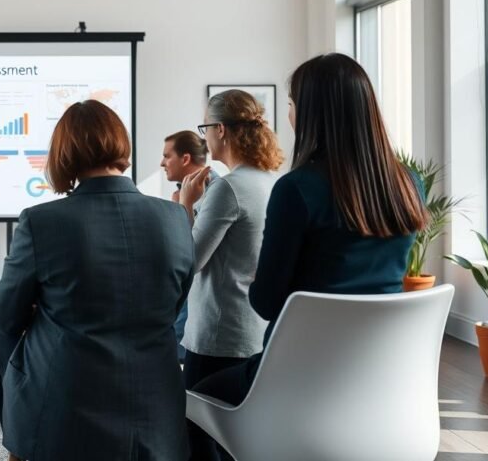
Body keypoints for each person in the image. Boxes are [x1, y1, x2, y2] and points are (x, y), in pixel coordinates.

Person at [186, 54, 428, 461]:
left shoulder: (298, 189)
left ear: (313, 113)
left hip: (296, 378)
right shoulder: (408, 183)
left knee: (191, 401)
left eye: (293, 104)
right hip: (379, 379)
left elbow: (265, 301)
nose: (290, 114)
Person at [0, 100, 194, 461]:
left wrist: (45, 308)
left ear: (64, 153)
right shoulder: (176, 217)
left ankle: (25, 446)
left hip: (68, 414)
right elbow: (173, 305)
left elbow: (5, 318)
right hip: (157, 412)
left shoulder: (40, 221)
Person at [178, 90, 282, 459]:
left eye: (205, 127)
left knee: (195, 433)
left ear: (220, 130)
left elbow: (190, 260)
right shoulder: (270, 181)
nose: (204, 135)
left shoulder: (229, 188)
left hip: (216, 336)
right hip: (254, 332)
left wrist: (186, 206)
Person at [160, 130, 210, 361]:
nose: (162, 163)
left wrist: (182, 208)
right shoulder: (180, 194)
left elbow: (189, 253)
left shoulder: (214, 192)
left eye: (167, 156)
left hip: (199, 307)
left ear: (186, 159)